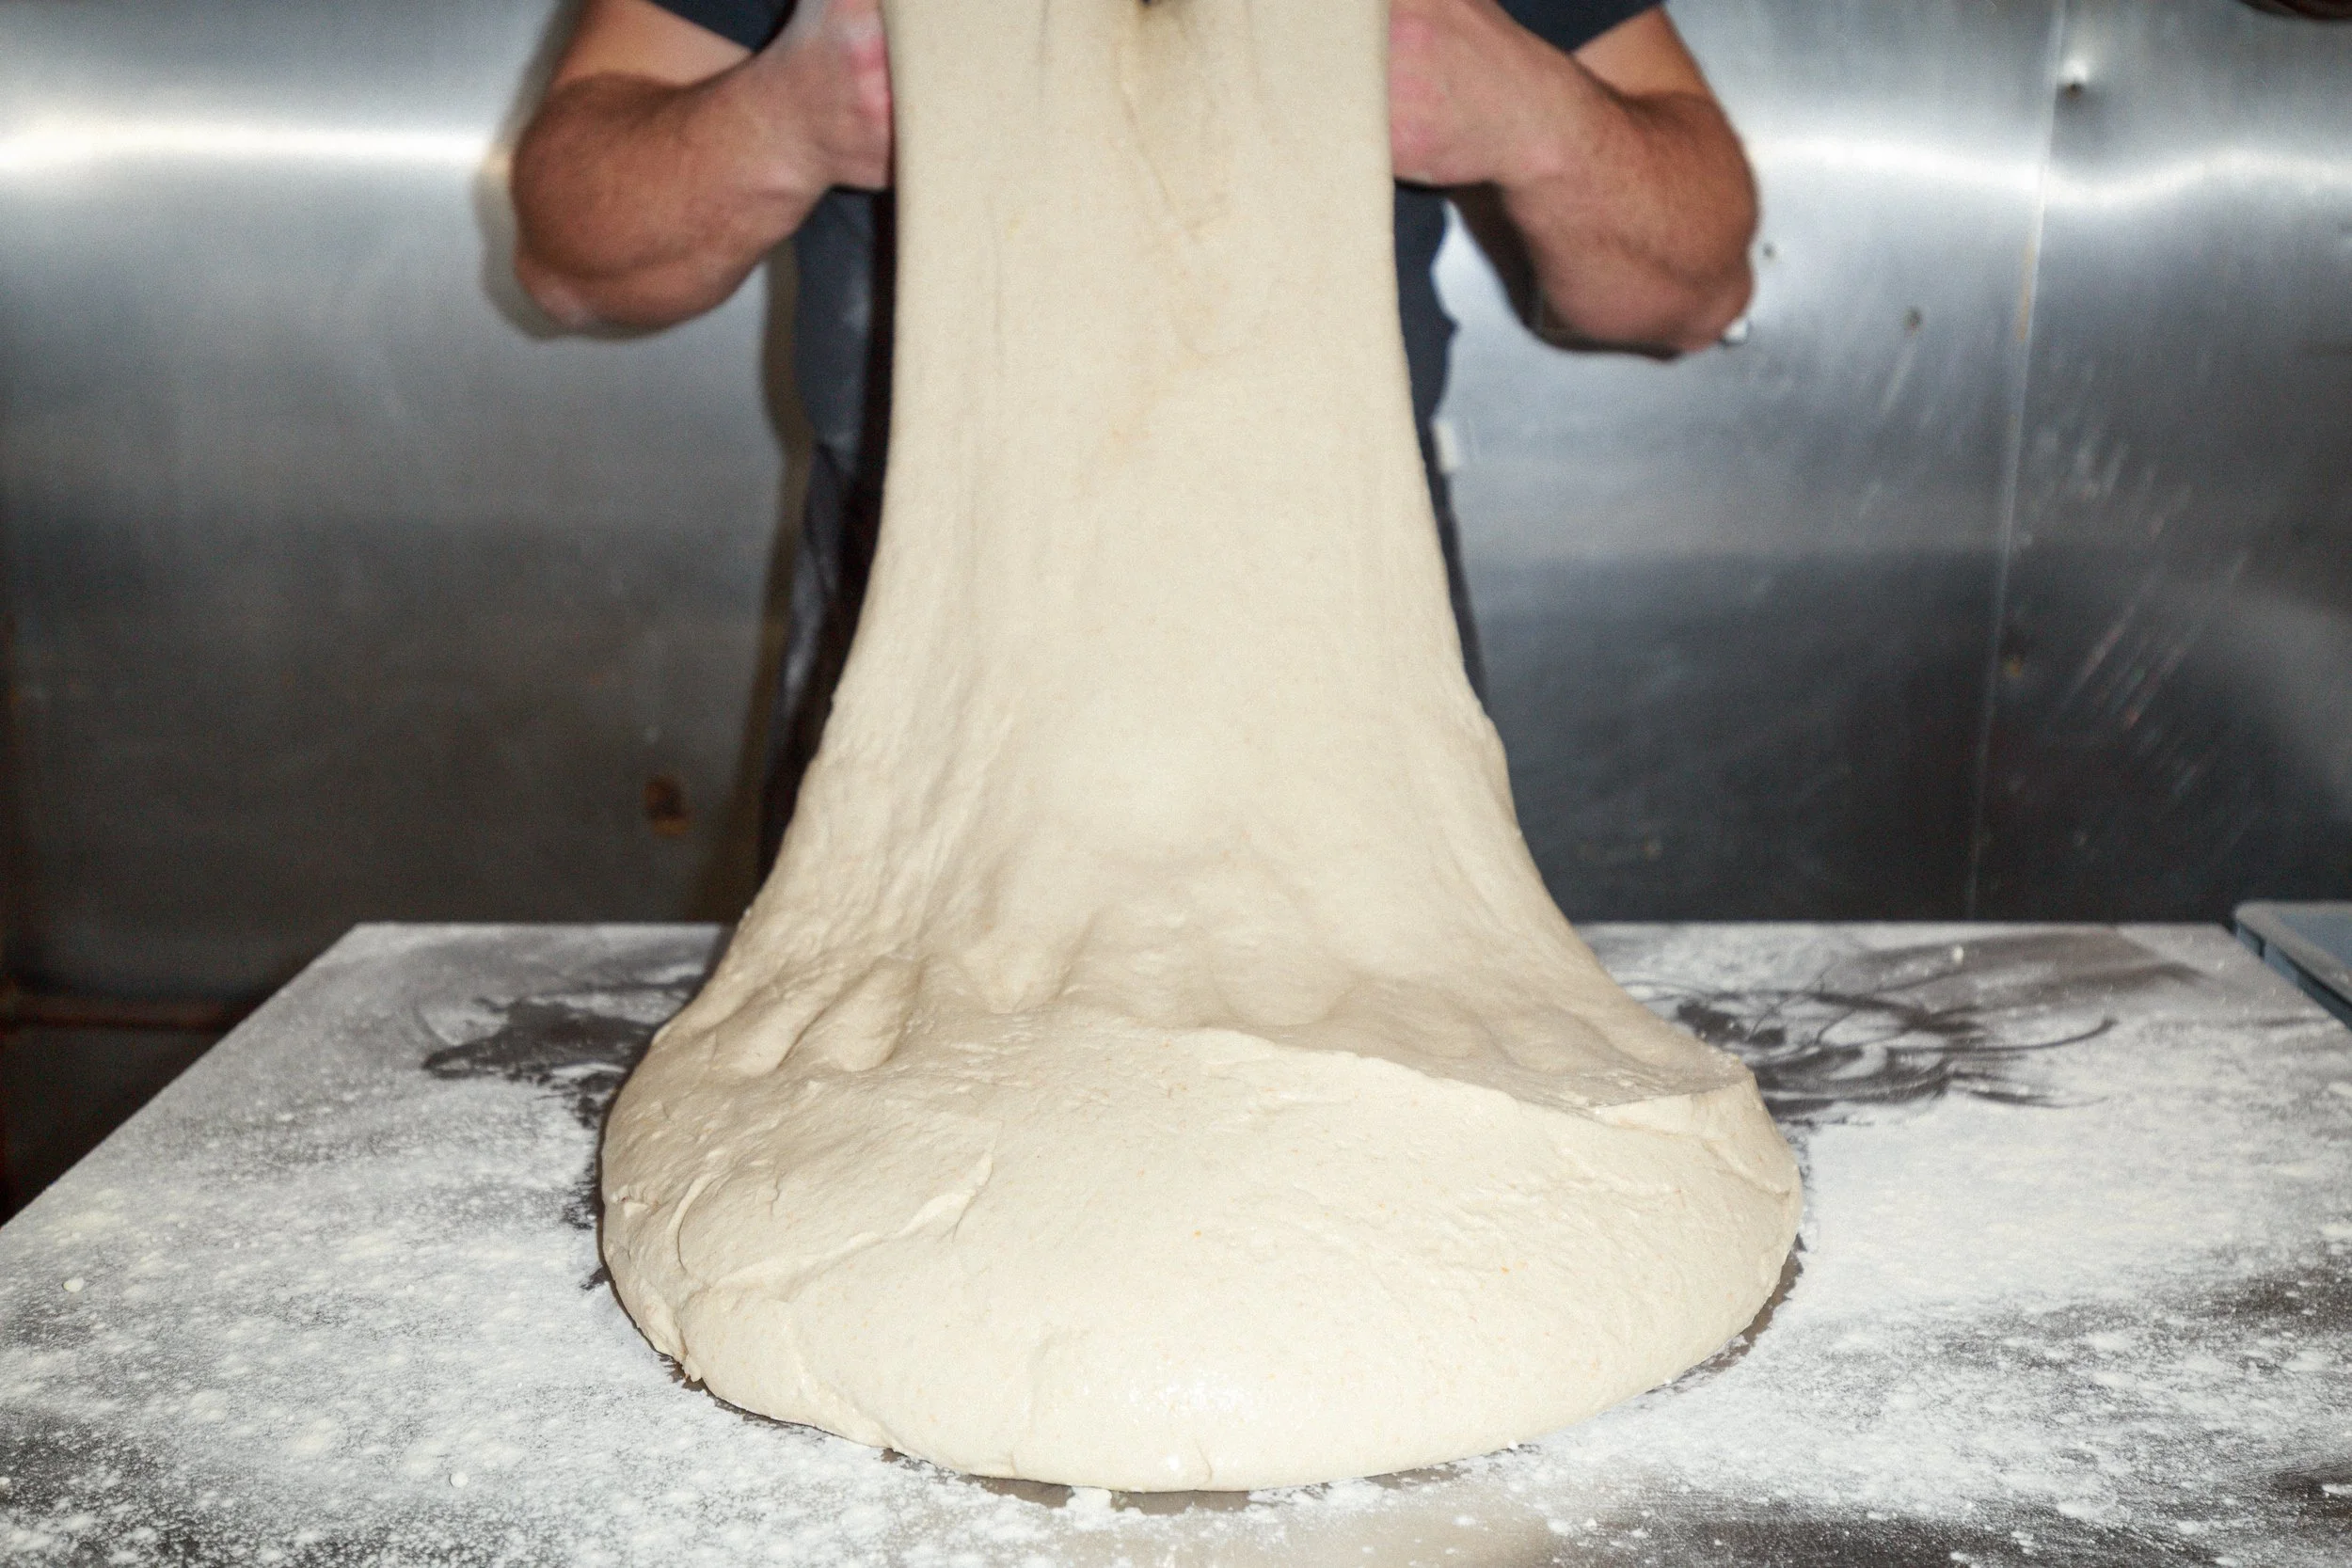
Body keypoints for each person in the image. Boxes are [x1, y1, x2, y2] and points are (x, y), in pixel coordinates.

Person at [511, 0, 1756, 861]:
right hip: (935, 575)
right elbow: (574, 253)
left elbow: (1692, 285)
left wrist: (1526, 108)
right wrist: (782, 117)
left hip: (1332, 580)